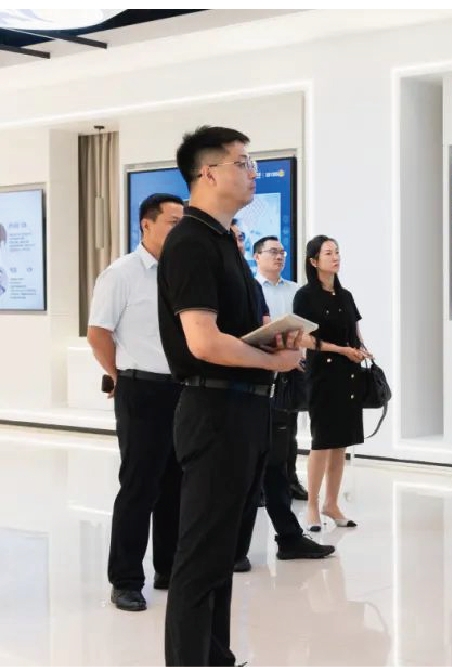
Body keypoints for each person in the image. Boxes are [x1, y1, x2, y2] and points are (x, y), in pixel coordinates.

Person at [157, 125, 304, 666]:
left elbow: (239, 329)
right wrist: (272, 361)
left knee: (222, 556)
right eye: (243, 163)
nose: (252, 173)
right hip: (215, 410)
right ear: (209, 172)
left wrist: (277, 341)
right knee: (200, 560)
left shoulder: (223, 241)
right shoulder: (190, 242)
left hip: (244, 409)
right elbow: (202, 341)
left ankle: (217, 657)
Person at [87, 193, 184, 612]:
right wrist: (119, 374)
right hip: (140, 390)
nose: (180, 230)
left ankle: (169, 568)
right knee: (139, 486)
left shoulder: (182, 272)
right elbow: (98, 334)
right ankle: (126, 579)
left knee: (176, 484)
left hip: (182, 390)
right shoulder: (121, 274)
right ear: (147, 224)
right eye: (173, 222)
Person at [232, 235, 331, 575]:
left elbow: (264, 328)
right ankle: (236, 548)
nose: (237, 244)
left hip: (272, 381)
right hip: (235, 389)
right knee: (244, 471)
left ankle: (288, 537)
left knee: (275, 464)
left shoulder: (254, 288)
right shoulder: (224, 284)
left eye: (241, 239)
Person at [293, 235, 370, 533]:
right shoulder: (305, 296)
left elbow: (355, 331)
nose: (335, 257)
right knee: (322, 441)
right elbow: (302, 338)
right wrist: (341, 350)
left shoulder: (345, 296)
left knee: (341, 443)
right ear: (314, 261)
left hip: (348, 374)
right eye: (328, 253)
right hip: (322, 374)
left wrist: (362, 349)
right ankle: (312, 506)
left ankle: (332, 503)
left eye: (337, 252)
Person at [252, 234, 309, 501]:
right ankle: (262, 485)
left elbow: (303, 329)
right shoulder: (253, 288)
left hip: (291, 366)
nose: (279, 257)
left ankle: (290, 480)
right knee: (263, 430)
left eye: (282, 252)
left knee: (290, 429)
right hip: (262, 365)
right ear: (257, 256)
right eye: (273, 252)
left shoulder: (295, 290)